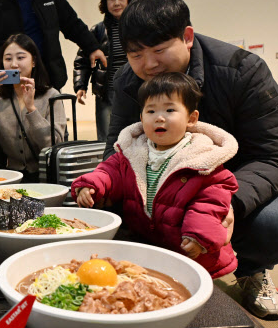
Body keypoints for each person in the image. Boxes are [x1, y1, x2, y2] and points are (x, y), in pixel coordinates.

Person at [104, 0, 278, 319]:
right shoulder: (131, 80)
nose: (148, 65)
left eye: (158, 50)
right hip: (165, 183)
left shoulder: (243, 71)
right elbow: (118, 147)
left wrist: (229, 204)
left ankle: (253, 270)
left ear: (187, 37)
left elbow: (273, 156)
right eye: (136, 54)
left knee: (276, 224)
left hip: (228, 185)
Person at [73, 73, 239, 278]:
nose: (159, 117)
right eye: (151, 111)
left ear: (191, 118)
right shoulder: (133, 151)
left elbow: (210, 201)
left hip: (191, 253)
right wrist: (91, 185)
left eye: (170, 110)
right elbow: (109, 171)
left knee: (192, 294)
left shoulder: (203, 158)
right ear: (142, 118)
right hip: (148, 247)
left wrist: (199, 235)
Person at [0, 34, 65, 182]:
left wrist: (31, 109)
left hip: (46, 176)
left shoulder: (52, 96)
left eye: (21, 57)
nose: (14, 64)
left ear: (34, 61)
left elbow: (52, 145)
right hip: (12, 177)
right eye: (8, 59)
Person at [74, 0, 136, 141]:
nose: (116, 3)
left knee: (135, 135)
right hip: (106, 92)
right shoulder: (97, 30)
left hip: (134, 90)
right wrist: (80, 85)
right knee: (106, 138)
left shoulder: (139, 28)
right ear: (105, 2)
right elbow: (82, 59)